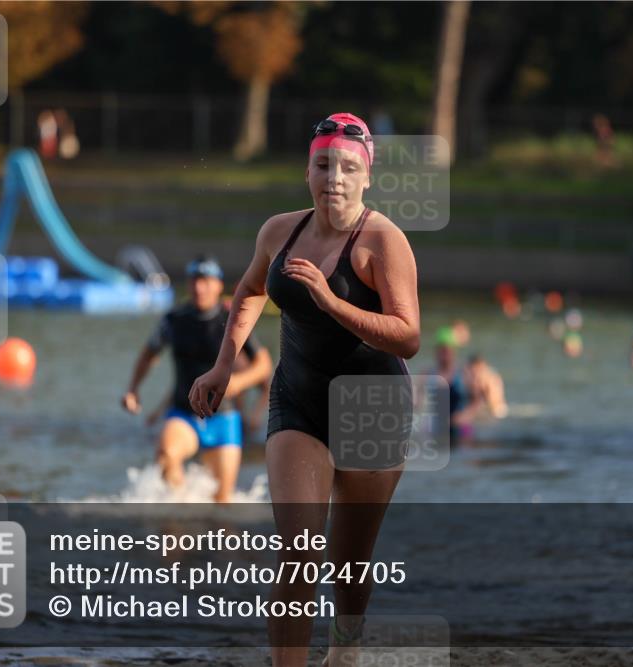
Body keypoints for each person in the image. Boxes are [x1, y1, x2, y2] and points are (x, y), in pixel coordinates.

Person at [188, 113, 420, 667]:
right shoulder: (279, 232)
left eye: (347, 167)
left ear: (367, 176)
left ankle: (346, 644)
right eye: (323, 165)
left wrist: (331, 301)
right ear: (307, 171)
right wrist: (223, 366)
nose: (333, 178)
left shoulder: (383, 242)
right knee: (298, 556)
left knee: (351, 563)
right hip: (299, 400)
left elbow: (408, 337)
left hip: (373, 409)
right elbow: (248, 290)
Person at [122, 256, 272, 502]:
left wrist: (238, 383)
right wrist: (133, 389)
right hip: (184, 414)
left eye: (205, 281)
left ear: (218, 285)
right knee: (166, 454)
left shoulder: (232, 320)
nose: (198, 287)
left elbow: (263, 365)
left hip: (223, 418)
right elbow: (148, 355)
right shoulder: (174, 320)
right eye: (194, 281)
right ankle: (179, 521)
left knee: (222, 502)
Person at [463, 354, 508, 419]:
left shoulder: (491, 379)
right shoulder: (467, 377)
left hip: (495, 410)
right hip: (478, 410)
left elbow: (494, 402)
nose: (475, 374)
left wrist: (483, 389)